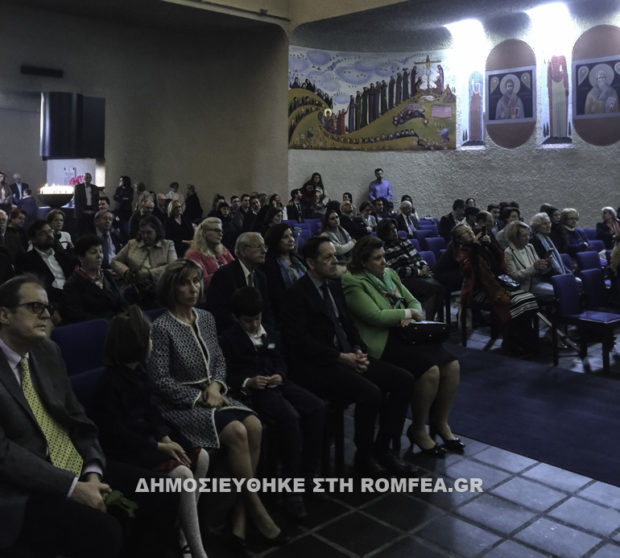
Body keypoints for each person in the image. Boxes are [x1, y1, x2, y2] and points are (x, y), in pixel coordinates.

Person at [147, 259, 287, 548]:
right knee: (237, 431)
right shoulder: (161, 327)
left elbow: (220, 361)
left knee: (254, 425)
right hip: (182, 406)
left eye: (196, 281)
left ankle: (240, 519)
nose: (193, 288)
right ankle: (256, 511)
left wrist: (214, 386)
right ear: (172, 289)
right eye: (185, 283)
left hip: (215, 394)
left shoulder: (206, 317)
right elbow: (159, 380)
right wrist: (200, 397)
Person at [0, 275, 123, 558]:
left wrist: (93, 472)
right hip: (22, 486)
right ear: (4, 315)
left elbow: (77, 418)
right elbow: (4, 454)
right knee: (104, 531)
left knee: (158, 492)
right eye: (35, 306)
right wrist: (72, 488)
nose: (46, 314)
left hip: (72, 463)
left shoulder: (48, 351)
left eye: (47, 307)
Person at [281, 237, 416, 476]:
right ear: (311, 262)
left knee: (403, 380)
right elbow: (301, 343)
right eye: (328, 257)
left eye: (335, 255)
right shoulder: (296, 294)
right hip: (319, 365)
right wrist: (341, 357)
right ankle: (363, 457)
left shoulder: (334, 286)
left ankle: (382, 448)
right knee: (370, 393)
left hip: (347, 357)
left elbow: (348, 326)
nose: (335, 261)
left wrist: (358, 349)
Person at [95, 306, 210, 558]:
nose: (152, 341)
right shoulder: (109, 384)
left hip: (151, 438)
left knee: (201, 457)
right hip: (129, 449)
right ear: (134, 343)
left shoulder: (140, 371)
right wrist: (160, 446)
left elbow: (152, 411)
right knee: (182, 474)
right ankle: (196, 549)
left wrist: (166, 438)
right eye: (148, 337)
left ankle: (184, 530)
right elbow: (117, 433)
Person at [342, 236, 462, 457]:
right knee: (430, 371)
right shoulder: (353, 281)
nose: (383, 262)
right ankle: (418, 428)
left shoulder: (389, 274)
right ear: (363, 261)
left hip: (406, 333)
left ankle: (441, 423)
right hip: (383, 340)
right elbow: (375, 316)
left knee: (452, 365)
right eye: (377, 258)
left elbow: (412, 300)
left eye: (384, 256)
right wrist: (406, 313)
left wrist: (411, 312)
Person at [220, 287, 324, 520]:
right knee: (290, 419)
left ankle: (308, 475)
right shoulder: (229, 339)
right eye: (248, 321)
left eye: (257, 319)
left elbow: (281, 361)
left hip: (278, 383)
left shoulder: (270, 331)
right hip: (255, 392)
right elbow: (226, 373)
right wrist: (248, 381)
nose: (254, 325)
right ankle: (291, 489)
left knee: (316, 408)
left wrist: (280, 375)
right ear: (236, 318)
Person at [452, 223, 539, 356]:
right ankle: (513, 344)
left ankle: (520, 340)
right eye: (465, 232)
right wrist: (476, 246)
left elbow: (499, 263)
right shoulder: (463, 253)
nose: (470, 232)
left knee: (528, 299)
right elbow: (474, 271)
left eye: (469, 230)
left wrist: (490, 245)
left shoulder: (481, 246)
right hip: (478, 290)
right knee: (516, 303)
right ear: (459, 239)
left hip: (495, 285)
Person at [377, 219, 444, 320]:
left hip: (419, 275)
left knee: (440, 287)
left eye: (394, 228)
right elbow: (397, 271)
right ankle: (428, 322)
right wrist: (419, 272)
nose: (394, 231)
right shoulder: (385, 249)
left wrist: (424, 266)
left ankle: (439, 321)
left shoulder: (405, 241)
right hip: (404, 280)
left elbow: (418, 257)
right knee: (432, 291)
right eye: (390, 230)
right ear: (384, 233)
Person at [205, 232, 272, 333]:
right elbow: (219, 313)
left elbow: (267, 311)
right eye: (259, 246)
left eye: (264, 246)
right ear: (243, 251)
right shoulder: (224, 275)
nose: (264, 251)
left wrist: (265, 331)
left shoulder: (261, 276)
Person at [111, 215, 177, 308]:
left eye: (149, 232)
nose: (145, 236)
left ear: (157, 232)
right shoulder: (132, 244)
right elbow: (114, 261)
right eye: (142, 233)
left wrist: (149, 273)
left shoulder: (168, 245)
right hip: (135, 290)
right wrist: (126, 271)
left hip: (161, 290)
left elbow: (174, 267)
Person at [16, 220, 75, 318]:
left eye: (50, 231)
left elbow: (74, 277)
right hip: (50, 302)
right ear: (33, 239)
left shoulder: (64, 256)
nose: (49, 235)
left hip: (73, 297)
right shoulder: (26, 260)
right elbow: (36, 286)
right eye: (43, 233)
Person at [63, 234, 126, 323]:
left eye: (101, 251)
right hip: (98, 326)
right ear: (81, 258)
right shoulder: (72, 285)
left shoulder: (106, 275)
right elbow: (78, 316)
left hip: (120, 323)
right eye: (93, 252)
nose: (99, 256)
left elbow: (121, 301)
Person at [262, 223, 306, 320]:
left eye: (291, 235)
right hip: (287, 311)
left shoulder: (299, 259)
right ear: (275, 240)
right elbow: (275, 295)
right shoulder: (269, 265)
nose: (291, 240)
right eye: (285, 237)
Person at [504, 221, 554, 301]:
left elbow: (540, 270)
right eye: (524, 236)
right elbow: (514, 276)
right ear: (515, 237)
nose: (528, 238)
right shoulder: (508, 252)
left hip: (539, 281)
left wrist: (547, 264)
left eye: (528, 235)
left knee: (560, 288)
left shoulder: (530, 247)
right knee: (555, 291)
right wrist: (534, 267)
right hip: (525, 287)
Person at [185, 217, 235, 290]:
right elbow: (203, 282)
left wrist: (214, 275)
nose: (221, 234)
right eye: (216, 230)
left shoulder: (223, 250)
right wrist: (225, 273)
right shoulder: (193, 254)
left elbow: (236, 270)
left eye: (221, 231)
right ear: (204, 232)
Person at [113, 176, 134, 241]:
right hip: (118, 210)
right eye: (120, 180)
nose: (120, 182)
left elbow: (129, 199)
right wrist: (122, 198)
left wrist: (120, 197)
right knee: (118, 225)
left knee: (125, 227)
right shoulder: (119, 188)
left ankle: (125, 239)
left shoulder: (130, 189)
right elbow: (114, 197)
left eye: (121, 180)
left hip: (126, 210)